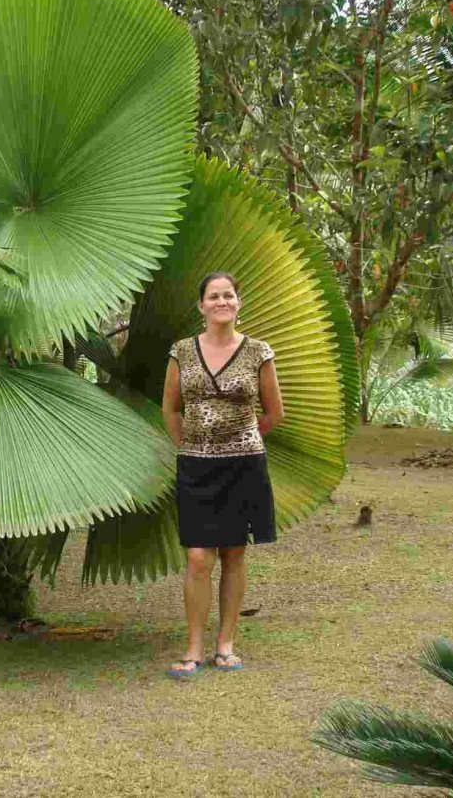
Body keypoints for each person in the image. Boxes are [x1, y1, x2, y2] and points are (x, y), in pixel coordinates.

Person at [161, 272, 284, 678]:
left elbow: (273, 411)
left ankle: (225, 645)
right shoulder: (181, 351)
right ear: (201, 306)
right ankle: (193, 647)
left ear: (238, 302)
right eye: (213, 296)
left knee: (234, 552)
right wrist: (194, 445)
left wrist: (240, 441)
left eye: (228, 295)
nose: (221, 302)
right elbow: (171, 409)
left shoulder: (258, 352)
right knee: (198, 557)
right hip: (196, 466)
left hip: (243, 466)